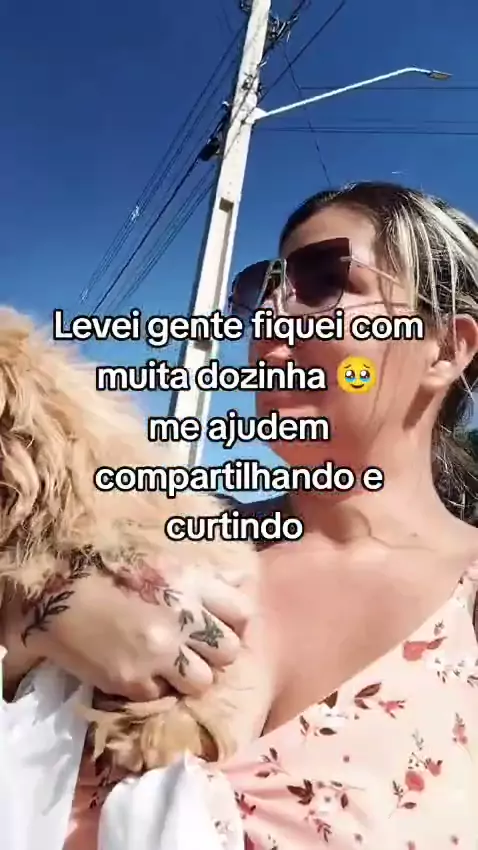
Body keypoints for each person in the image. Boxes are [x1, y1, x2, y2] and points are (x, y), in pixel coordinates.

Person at [6, 181, 478, 848]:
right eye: (262, 289)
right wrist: (31, 618)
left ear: (446, 348)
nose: (272, 321)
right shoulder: (150, 542)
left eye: (325, 279)